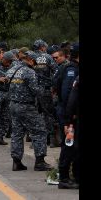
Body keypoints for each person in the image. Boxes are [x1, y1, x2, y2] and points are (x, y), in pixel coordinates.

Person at [7, 51, 51, 172]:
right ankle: (40, 162)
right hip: (26, 106)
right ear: (30, 60)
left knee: (17, 133)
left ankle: (16, 162)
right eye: (35, 62)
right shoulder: (29, 72)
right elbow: (36, 90)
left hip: (13, 104)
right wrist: (45, 90)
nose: (35, 65)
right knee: (40, 131)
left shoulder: (12, 69)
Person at [57, 43, 79, 189]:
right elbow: (67, 94)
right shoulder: (72, 69)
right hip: (69, 114)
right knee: (69, 145)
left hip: (70, 113)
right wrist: (69, 118)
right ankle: (64, 178)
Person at [32, 39, 58, 147]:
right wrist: (53, 84)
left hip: (33, 90)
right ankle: (51, 140)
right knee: (48, 114)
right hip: (45, 89)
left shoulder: (31, 57)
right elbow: (56, 71)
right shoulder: (47, 57)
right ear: (42, 47)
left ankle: (36, 140)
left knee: (36, 115)